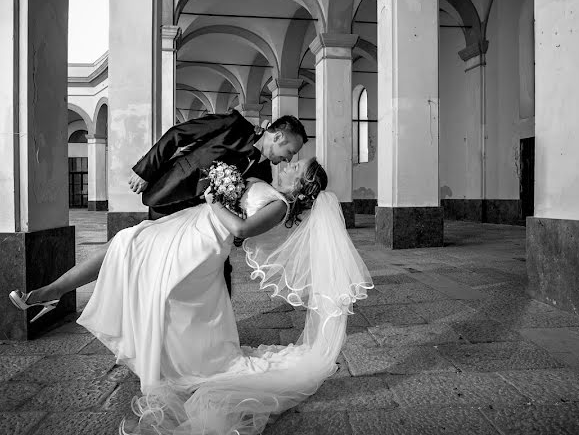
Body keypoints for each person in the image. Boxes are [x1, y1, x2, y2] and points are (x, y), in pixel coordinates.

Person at [84, 157, 371, 435]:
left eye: (297, 166)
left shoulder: (280, 205)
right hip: (195, 225)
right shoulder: (272, 187)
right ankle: (169, 352)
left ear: (300, 183)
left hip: (208, 238)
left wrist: (214, 202)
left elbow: (241, 229)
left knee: (170, 292)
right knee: (152, 272)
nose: (290, 163)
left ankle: (172, 356)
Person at [9, 111, 307, 320]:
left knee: (211, 269)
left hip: (204, 222)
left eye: (293, 157)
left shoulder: (263, 171)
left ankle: (207, 332)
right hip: (172, 198)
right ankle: (61, 293)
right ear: (278, 135)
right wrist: (145, 169)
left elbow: (245, 210)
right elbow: (180, 134)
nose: (289, 159)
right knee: (129, 247)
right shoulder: (233, 124)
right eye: (290, 150)